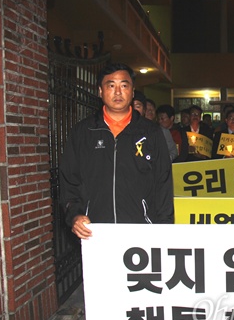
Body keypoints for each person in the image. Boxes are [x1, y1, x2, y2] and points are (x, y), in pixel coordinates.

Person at [60, 63, 174, 239]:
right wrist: (74, 215)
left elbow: (163, 183)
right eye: (111, 85)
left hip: (142, 233)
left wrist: (164, 229)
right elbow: (69, 182)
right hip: (95, 233)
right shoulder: (83, 132)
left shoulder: (151, 133)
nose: (118, 92)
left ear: (132, 91)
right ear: (100, 91)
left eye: (124, 85)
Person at [133, 91, 178, 162]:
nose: (150, 112)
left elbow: (173, 152)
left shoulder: (161, 131)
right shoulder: (128, 129)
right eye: (148, 110)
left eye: (152, 109)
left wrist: (162, 162)